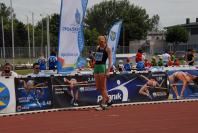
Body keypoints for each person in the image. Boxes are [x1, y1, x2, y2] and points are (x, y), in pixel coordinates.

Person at [94, 35, 113, 109]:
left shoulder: (108, 48)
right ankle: (109, 101)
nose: (100, 42)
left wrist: (108, 71)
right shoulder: (97, 47)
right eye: (99, 41)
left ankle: (103, 103)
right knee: (98, 87)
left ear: (104, 41)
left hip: (102, 67)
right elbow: (97, 59)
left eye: (101, 41)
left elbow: (110, 61)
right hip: (96, 67)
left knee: (103, 87)